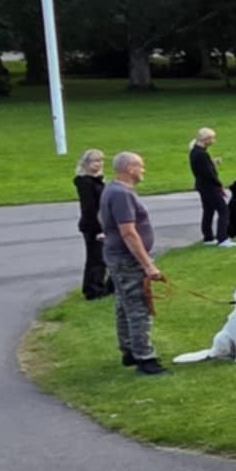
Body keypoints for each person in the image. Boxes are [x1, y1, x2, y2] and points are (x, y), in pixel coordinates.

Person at [99, 151, 166, 375]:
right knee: (138, 306)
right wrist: (147, 264)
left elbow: (108, 221)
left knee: (123, 303)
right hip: (127, 260)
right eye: (141, 166)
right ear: (129, 168)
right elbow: (128, 232)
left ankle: (128, 349)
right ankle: (145, 357)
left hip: (117, 255)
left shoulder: (112, 189)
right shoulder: (121, 194)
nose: (143, 170)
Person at [73, 148, 112, 300]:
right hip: (93, 225)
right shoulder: (85, 182)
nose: (99, 164)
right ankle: (93, 289)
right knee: (96, 258)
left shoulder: (98, 179)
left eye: (101, 160)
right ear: (86, 163)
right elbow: (89, 208)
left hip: (101, 222)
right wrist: (98, 229)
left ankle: (99, 285)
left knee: (100, 257)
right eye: (95, 161)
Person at [189, 126, 235, 248]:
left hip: (202, 186)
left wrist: (212, 162)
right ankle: (223, 239)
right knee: (224, 210)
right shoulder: (201, 154)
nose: (213, 141)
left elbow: (203, 167)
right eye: (212, 139)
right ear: (206, 139)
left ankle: (208, 237)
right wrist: (219, 184)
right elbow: (208, 173)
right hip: (209, 187)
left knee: (208, 211)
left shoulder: (195, 151)